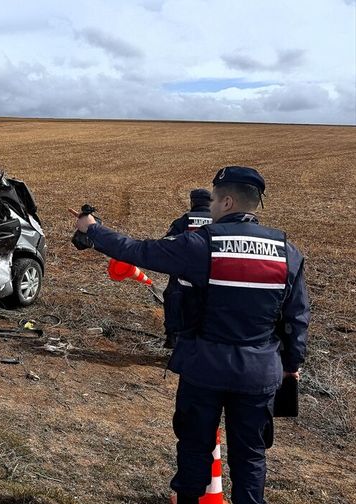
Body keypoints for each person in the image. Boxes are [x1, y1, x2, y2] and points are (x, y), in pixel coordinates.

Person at [72, 166, 309, 504]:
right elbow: (297, 317)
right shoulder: (288, 252)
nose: (210, 205)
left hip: (204, 368)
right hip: (259, 372)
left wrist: (93, 229)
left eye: (214, 199)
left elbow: (138, 251)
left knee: (195, 452)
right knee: (251, 457)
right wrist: (291, 364)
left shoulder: (202, 244)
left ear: (227, 201)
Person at [162, 189, 213, 348]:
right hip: (211, 277)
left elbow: (166, 246)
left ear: (192, 202)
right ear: (210, 203)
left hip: (182, 277)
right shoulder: (220, 222)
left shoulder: (184, 221)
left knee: (173, 300)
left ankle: (173, 338)